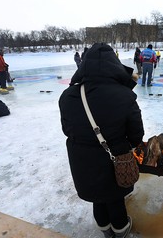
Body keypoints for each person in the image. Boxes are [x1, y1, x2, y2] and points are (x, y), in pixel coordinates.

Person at [59, 43, 144, 238]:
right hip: (113, 157)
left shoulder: (67, 96)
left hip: (81, 160)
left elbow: (67, 129)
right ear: (114, 65)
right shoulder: (125, 96)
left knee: (98, 197)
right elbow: (136, 136)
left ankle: (105, 229)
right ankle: (121, 230)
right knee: (114, 198)